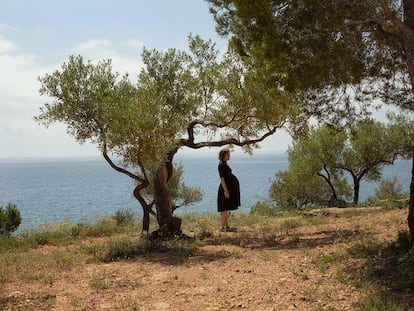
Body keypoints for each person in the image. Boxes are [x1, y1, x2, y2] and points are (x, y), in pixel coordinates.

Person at [217, 148, 240, 232]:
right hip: (224, 189)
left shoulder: (224, 164)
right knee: (223, 208)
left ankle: (226, 226)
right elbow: (222, 179)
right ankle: (222, 227)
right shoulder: (221, 165)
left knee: (225, 207)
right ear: (224, 155)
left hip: (227, 188)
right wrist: (226, 191)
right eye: (228, 154)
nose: (229, 156)